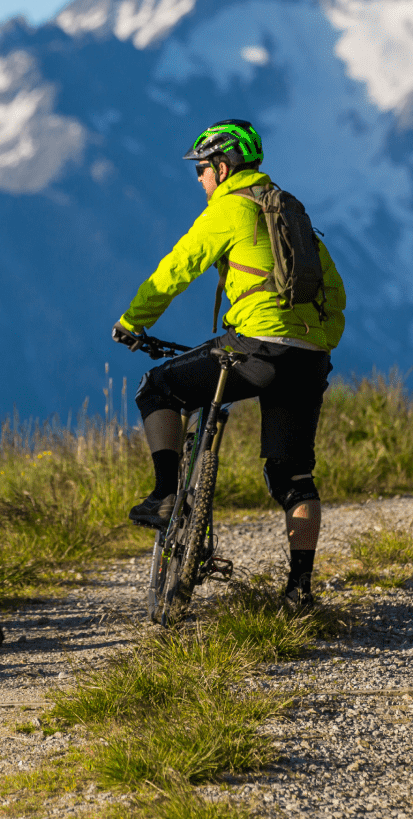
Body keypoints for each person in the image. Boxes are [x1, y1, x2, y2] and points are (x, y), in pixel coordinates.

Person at [112, 119, 347, 615]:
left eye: (201, 169)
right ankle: (299, 591)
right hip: (310, 356)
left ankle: (164, 494)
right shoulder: (290, 210)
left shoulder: (229, 208)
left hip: (256, 348)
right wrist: (310, 345)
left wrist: (133, 321)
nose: (198, 179)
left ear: (222, 167)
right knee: (293, 476)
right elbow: (336, 291)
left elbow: (177, 268)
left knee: (157, 387)